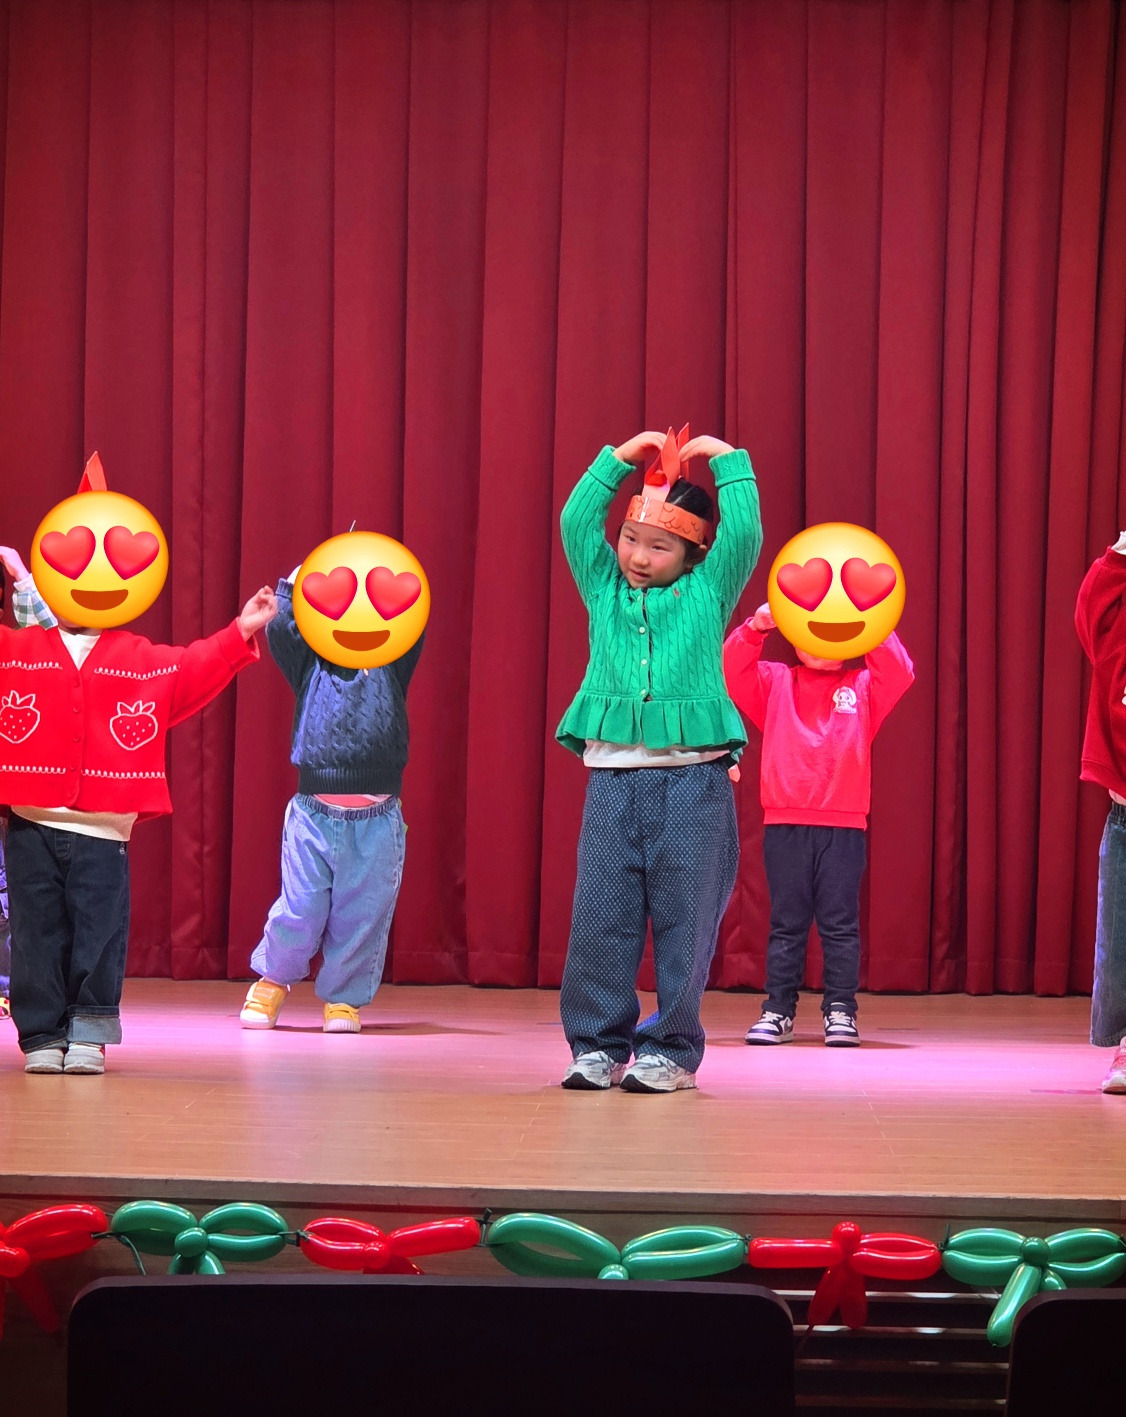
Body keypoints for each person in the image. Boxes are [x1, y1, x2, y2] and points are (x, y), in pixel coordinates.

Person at [0, 547, 275, 1074]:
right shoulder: (19, 648)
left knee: (99, 935)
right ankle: (41, 1034)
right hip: (32, 826)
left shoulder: (137, 656)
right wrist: (19, 575)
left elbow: (192, 668)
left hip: (104, 832)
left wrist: (241, 629)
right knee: (35, 935)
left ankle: (89, 1031)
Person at [556, 426, 761, 1093]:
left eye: (659, 545)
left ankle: (670, 1050)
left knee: (685, 923)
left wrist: (728, 463)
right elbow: (576, 521)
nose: (638, 557)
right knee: (601, 919)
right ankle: (597, 1045)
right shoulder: (603, 589)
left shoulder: (708, 591)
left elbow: (745, 534)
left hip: (693, 784)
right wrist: (618, 459)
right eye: (630, 539)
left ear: (693, 552)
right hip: (613, 784)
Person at [239, 568, 424, 1034]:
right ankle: (273, 979)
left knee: (362, 914)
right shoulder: (312, 664)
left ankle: (343, 998)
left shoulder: (389, 662)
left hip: (377, 819)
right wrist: (291, 585)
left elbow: (413, 622)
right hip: (313, 815)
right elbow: (283, 632)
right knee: (300, 907)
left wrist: (389, 580)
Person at [724, 601, 913, 1046]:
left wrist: (872, 624)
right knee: (786, 924)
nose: (818, 640)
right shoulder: (776, 681)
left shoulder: (863, 686)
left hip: (843, 828)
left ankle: (841, 1010)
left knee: (840, 924)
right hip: (785, 823)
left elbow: (900, 671)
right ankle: (778, 1010)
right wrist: (757, 626)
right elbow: (732, 669)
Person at [1074, 533, 1126, 1094]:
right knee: (1120, 938)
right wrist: (1121, 552)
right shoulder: (1115, 636)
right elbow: (1090, 607)